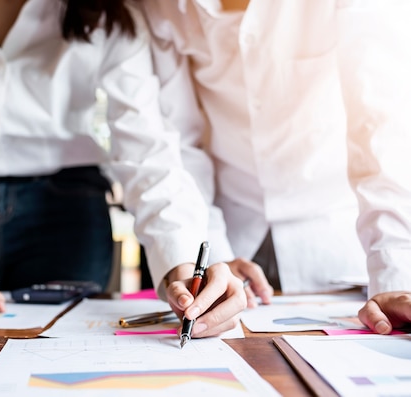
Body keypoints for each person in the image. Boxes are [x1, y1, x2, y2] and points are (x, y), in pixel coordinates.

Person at [0, 0, 246, 335]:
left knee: (59, 346)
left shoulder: (114, 12)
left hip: (65, 213)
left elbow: (146, 152)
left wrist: (181, 269)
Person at [141, 0, 411, 332]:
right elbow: (178, 143)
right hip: (229, 237)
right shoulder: (158, 7)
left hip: (340, 246)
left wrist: (396, 272)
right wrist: (210, 258)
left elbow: (382, 123)